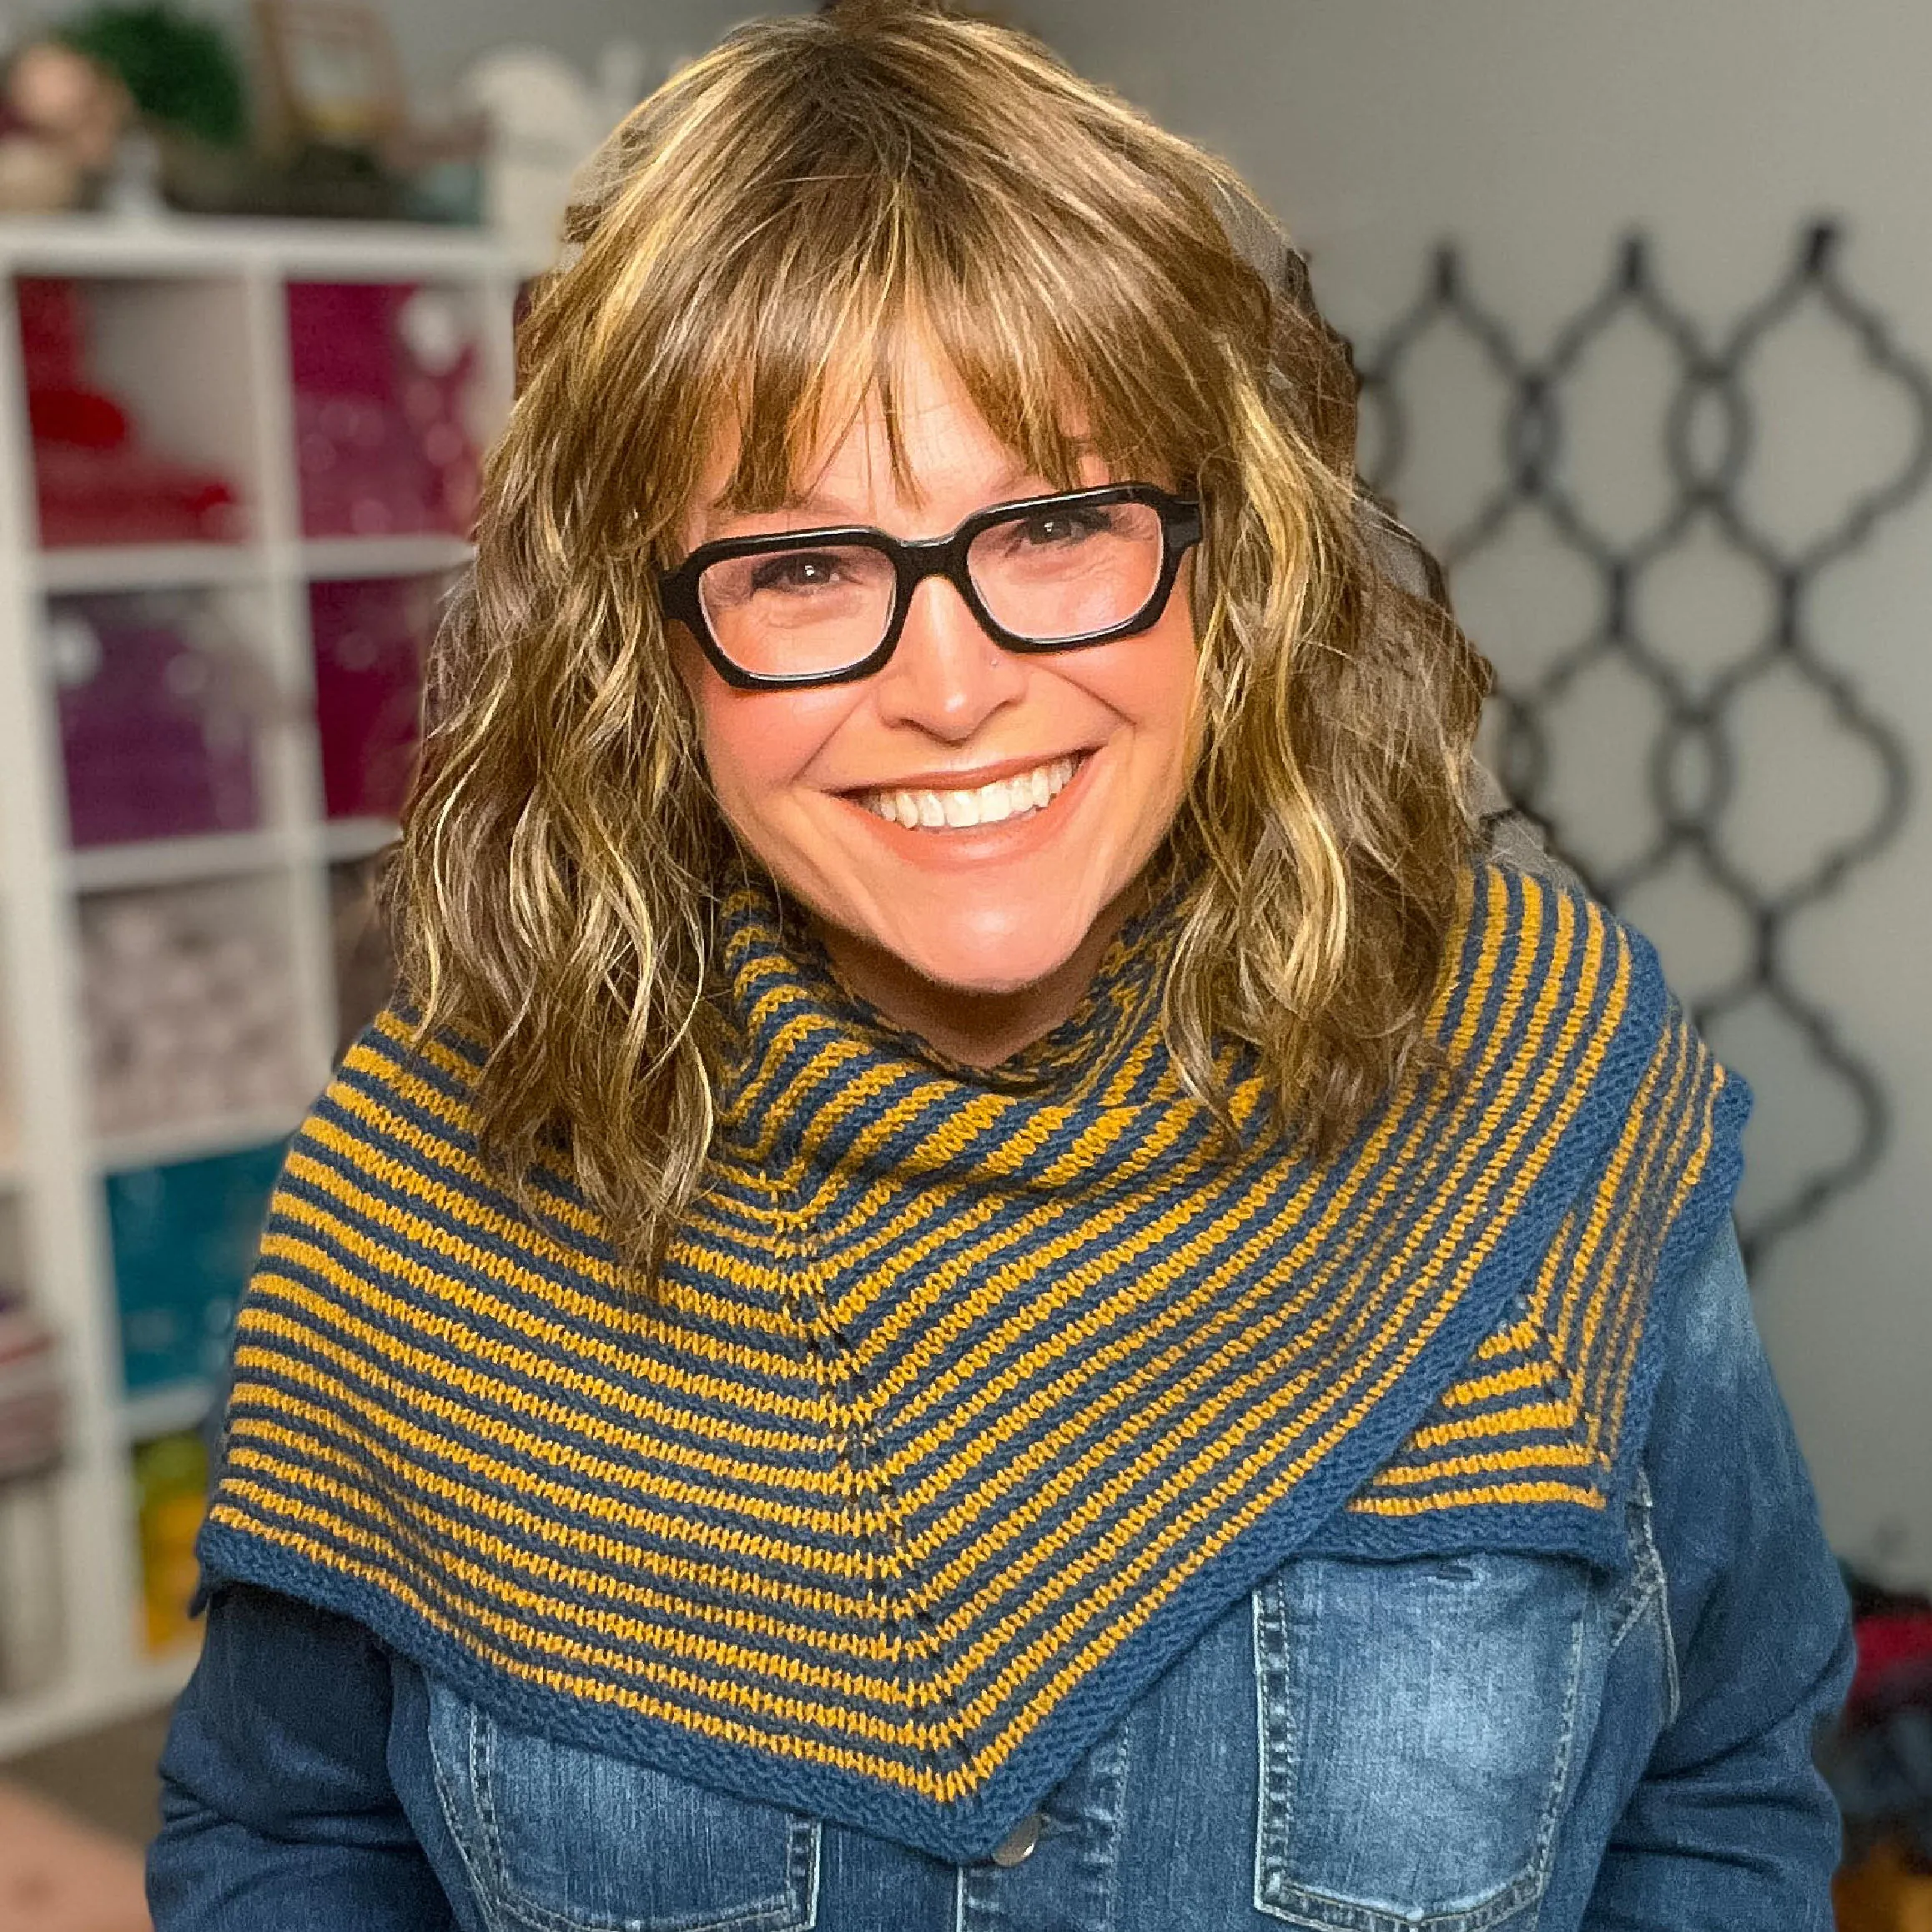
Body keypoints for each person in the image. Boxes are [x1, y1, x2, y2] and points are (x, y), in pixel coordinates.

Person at [146, 5, 1853, 1927]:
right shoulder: (427, 1169)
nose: (951, 690)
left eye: (1050, 525)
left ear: (1230, 559)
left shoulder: (1540, 1081)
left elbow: (1720, 1780)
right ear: (646, 643)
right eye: (802, 567)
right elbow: (289, 1839)